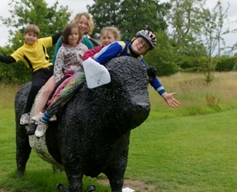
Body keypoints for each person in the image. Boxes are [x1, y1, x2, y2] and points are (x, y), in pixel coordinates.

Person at [33, 29, 180, 138]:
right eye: (141, 42)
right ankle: (44, 118)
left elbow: (150, 76)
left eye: (146, 46)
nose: (141, 46)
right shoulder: (119, 46)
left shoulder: (138, 60)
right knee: (68, 90)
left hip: (106, 81)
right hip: (90, 70)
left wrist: (164, 94)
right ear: (134, 39)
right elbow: (98, 60)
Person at [31, 26, 121, 127]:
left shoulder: (118, 51)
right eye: (104, 38)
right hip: (74, 74)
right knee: (62, 88)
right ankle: (47, 112)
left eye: (109, 38)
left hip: (102, 78)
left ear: (115, 39)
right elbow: (86, 56)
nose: (106, 40)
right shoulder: (96, 50)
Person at [0, 24, 61, 125]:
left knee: (63, 80)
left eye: (34, 36)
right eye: (29, 34)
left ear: (37, 37)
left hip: (50, 68)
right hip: (38, 71)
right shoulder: (22, 50)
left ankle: (54, 109)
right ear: (24, 35)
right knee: (35, 87)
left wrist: (68, 28)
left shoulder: (41, 42)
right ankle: (26, 113)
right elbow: (9, 59)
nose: (31, 37)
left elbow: (55, 37)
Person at [26, 22, 88, 135]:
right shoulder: (63, 49)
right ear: (66, 36)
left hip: (81, 74)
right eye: (71, 34)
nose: (74, 36)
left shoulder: (84, 47)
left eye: (75, 34)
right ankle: (47, 111)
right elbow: (58, 65)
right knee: (58, 90)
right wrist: (58, 80)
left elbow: (87, 61)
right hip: (67, 74)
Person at [32, 12, 95, 119]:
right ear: (76, 22)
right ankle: (37, 117)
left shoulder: (88, 44)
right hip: (63, 71)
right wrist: (60, 74)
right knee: (48, 90)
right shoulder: (63, 39)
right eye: (81, 22)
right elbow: (56, 58)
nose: (83, 25)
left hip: (79, 74)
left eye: (86, 23)